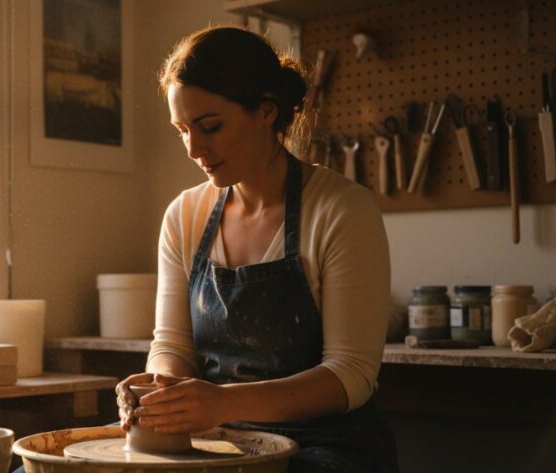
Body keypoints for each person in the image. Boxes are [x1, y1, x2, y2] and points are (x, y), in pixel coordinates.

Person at [116, 25, 399, 473]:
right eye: (182, 130)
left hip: (327, 447)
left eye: (210, 127)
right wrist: (162, 387)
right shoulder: (184, 216)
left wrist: (221, 402)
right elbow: (172, 344)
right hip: (220, 444)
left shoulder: (341, 210)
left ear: (266, 112)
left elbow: (351, 375)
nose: (193, 149)